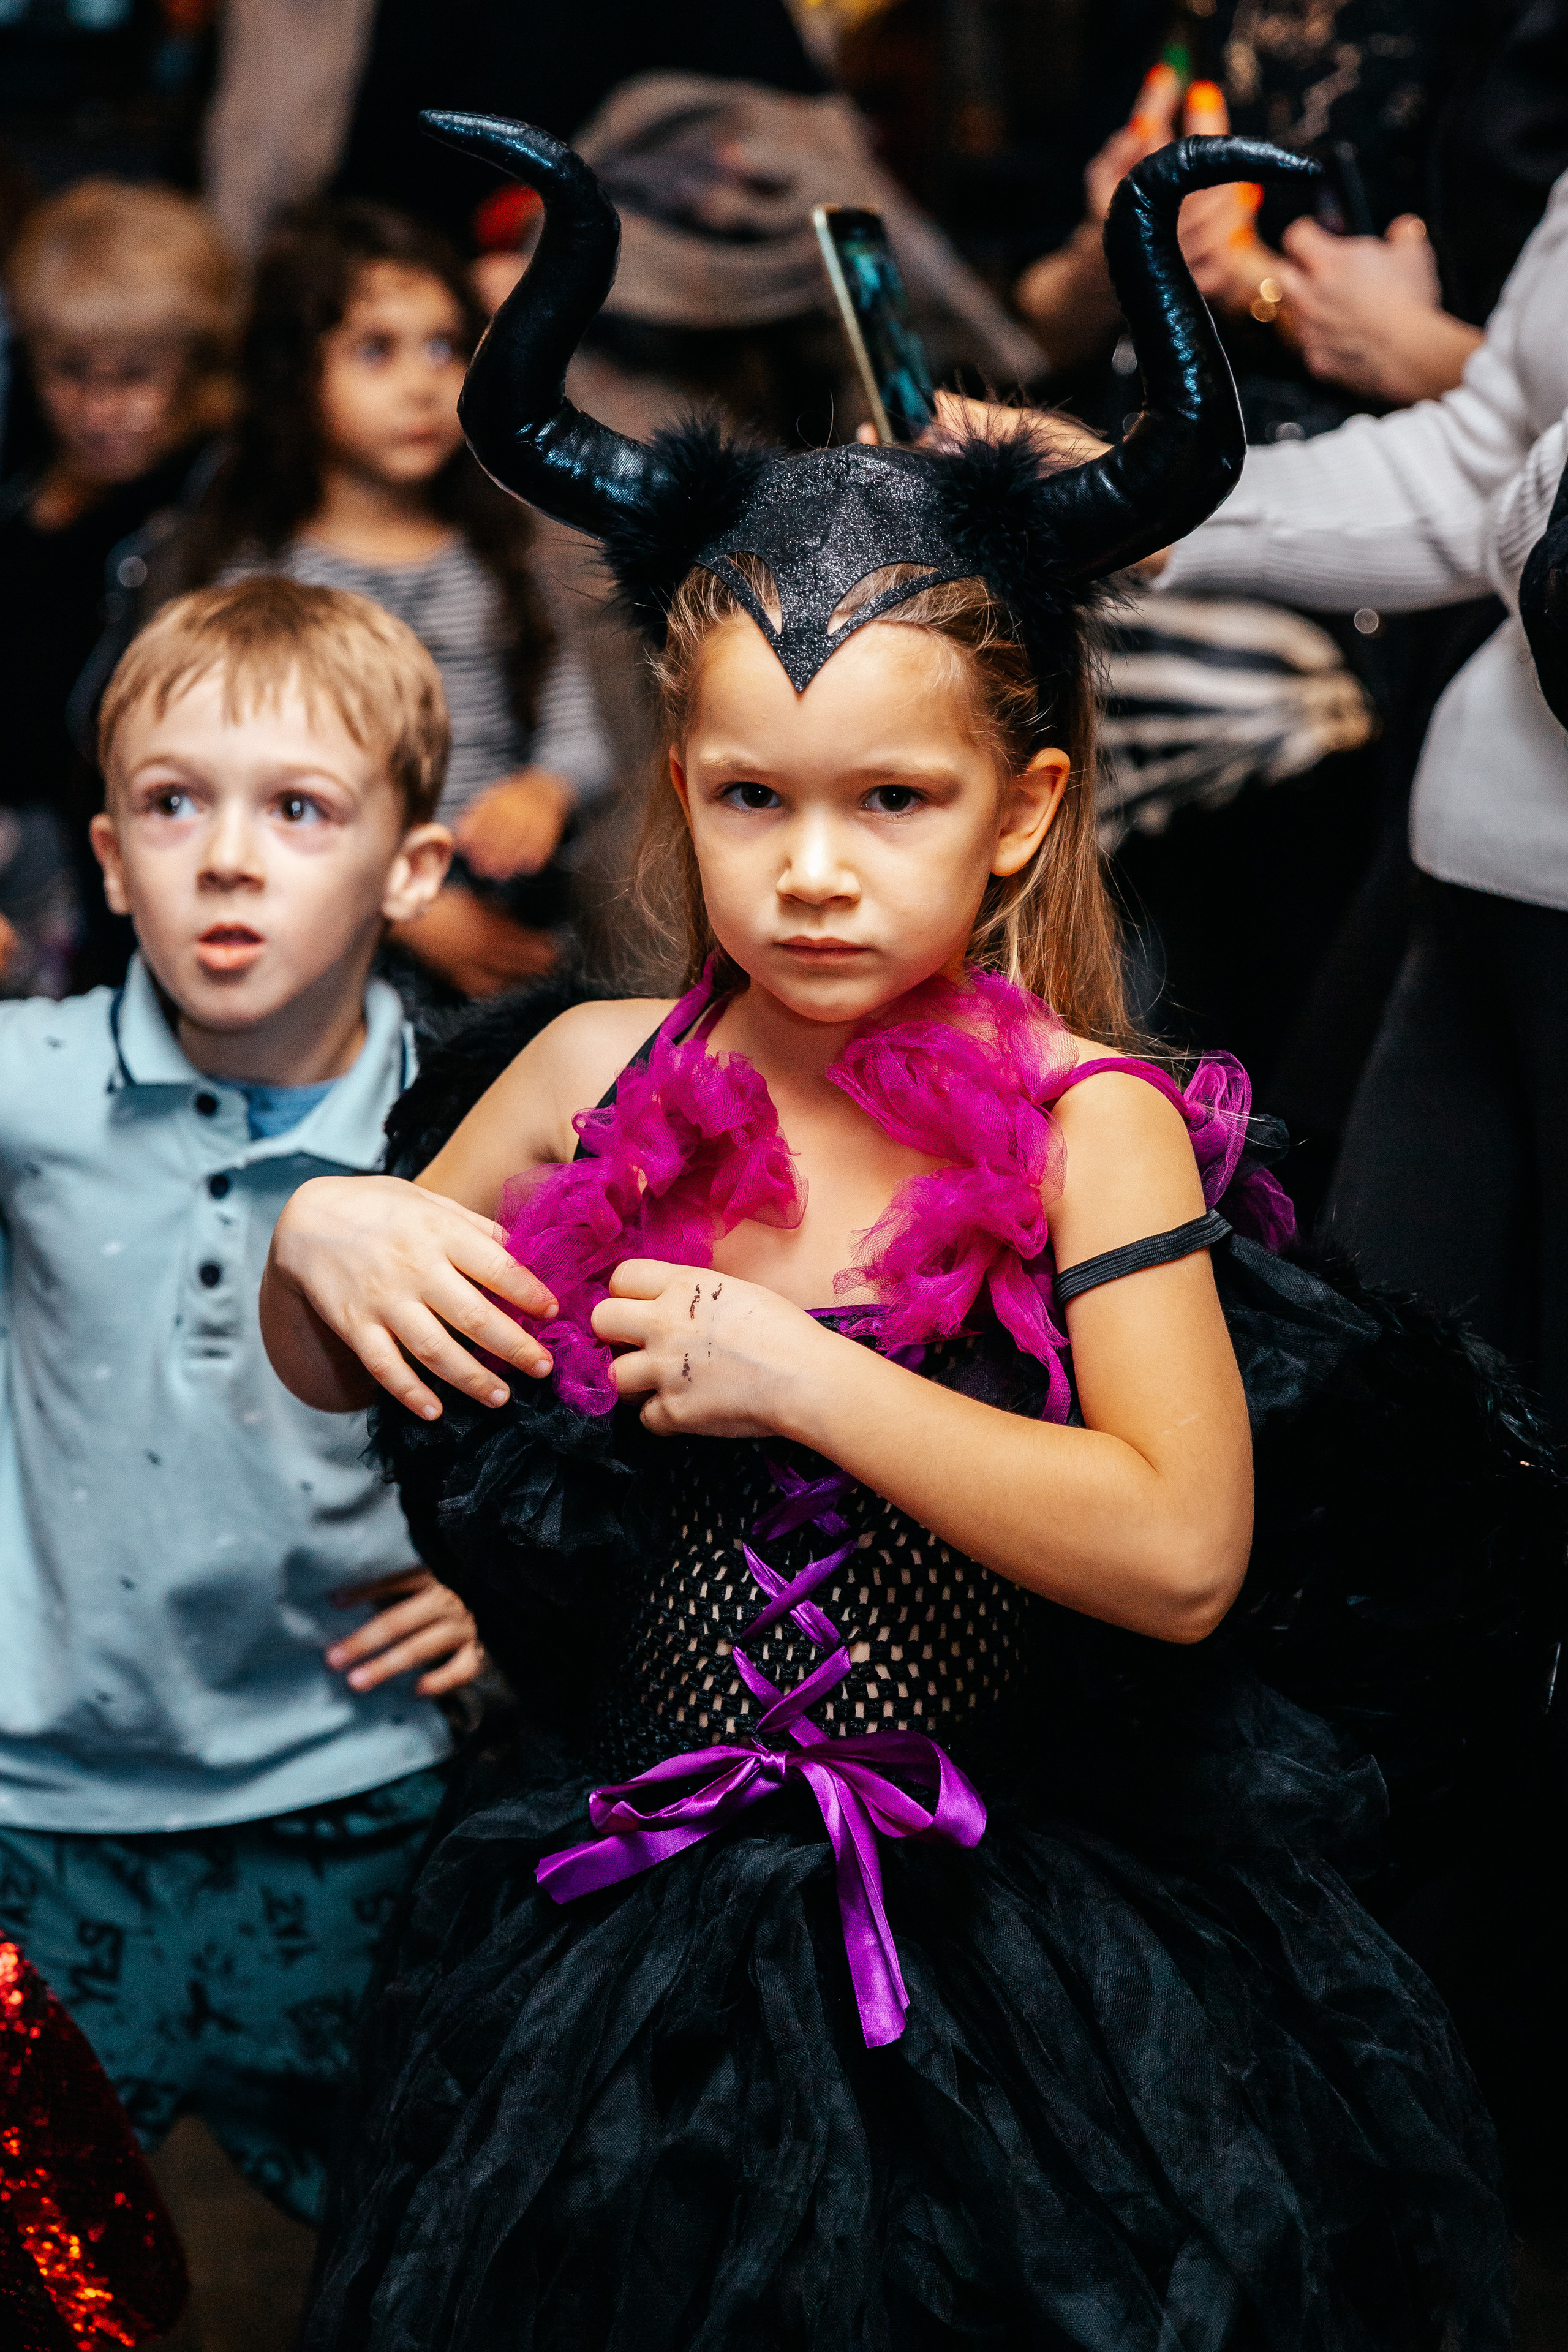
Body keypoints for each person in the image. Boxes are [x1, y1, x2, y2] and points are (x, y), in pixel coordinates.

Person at [257, 121, 1542, 2348]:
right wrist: (321, 1242)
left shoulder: (1090, 1130)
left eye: (894, 802)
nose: (816, 870)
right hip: (619, 1935)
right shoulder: (590, 1084)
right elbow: (327, 1362)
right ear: (681, 791)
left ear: (1022, 807)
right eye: (754, 798)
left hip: (1008, 1952)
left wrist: (805, 1379)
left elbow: (1179, 1550)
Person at [0, 576, 487, 2248]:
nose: (226, 856)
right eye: (172, 804)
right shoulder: (30, 1086)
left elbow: (571, 1426)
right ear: (110, 856)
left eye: (297, 809)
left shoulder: (472, 1134)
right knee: (50, 2266)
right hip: (42, 1812)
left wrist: (507, 1602)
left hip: (348, 1791)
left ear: (411, 867)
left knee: (373, 2242)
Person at [179, 199, 612, 1000]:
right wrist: (403, 906)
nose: (423, 385)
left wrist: (545, 788)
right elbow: (241, 779)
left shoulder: (502, 550)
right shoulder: (259, 578)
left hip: (507, 903)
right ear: (292, 376)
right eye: (376, 351)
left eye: (445, 347)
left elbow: (578, 723)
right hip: (325, 926)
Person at [0, 177, 239, 991]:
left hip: (113, 905)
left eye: (137, 375)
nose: (101, 407)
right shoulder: (20, 487)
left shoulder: (214, 505)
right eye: (68, 370)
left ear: (196, 364)